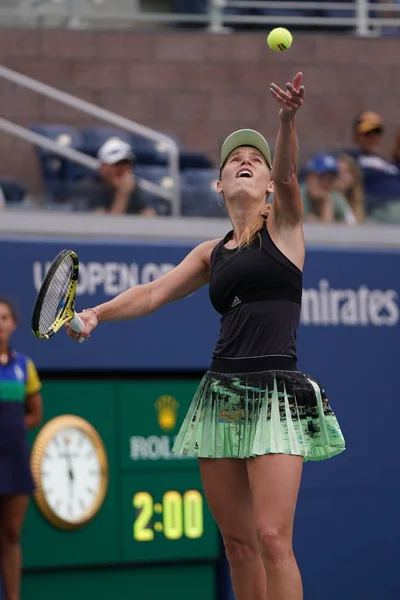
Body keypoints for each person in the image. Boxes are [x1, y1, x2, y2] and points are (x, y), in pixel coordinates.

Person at [66, 72, 345, 600]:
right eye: (234, 158)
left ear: (266, 183)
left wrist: (286, 121)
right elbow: (152, 294)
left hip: (278, 395)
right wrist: (96, 313)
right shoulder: (208, 253)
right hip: (222, 397)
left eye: (255, 159)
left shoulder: (285, 226)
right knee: (238, 543)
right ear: (219, 185)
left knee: (271, 537)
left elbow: (289, 174)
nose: (246, 160)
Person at [0, 299, 42, 600]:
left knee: (11, 534)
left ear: (13, 324)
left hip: (14, 460)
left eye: (3, 317)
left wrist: (11, 430)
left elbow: (34, 413)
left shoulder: (24, 365)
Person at [71, 138, 156, 216]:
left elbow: (150, 218)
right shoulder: (87, 188)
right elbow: (102, 228)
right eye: (116, 164)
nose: (122, 169)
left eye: (126, 164)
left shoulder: (133, 186)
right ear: (103, 166)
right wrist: (122, 195)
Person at [345, 111, 400, 222]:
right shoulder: (351, 159)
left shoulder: (389, 164)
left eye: (377, 132)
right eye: (367, 133)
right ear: (356, 135)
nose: (373, 137)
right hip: (378, 209)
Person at [300, 154, 356, 223]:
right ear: (309, 177)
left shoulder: (336, 197)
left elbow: (352, 224)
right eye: (322, 176)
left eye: (331, 177)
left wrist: (326, 201)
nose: (327, 182)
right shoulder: (297, 196)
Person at [334, 153, 365, 223]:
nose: (341, 176)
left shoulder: (358, 204)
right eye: (338, 171)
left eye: (346, 172)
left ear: (354, 178)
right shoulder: (325, 199)